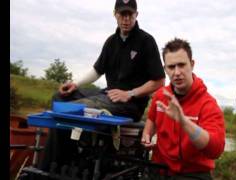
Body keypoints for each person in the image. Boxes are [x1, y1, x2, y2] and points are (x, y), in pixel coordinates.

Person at [40, 0, 165, 175]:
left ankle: (49, 169)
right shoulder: (111, 42)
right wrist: (75, 83)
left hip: (130, 105)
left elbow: (159, 81)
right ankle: (62, 164)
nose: (126, 19)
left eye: (130, 14)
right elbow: (97, 70)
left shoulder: (146, 41)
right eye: (122, 14)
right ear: (115, 14)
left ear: (137, 15)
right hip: (107, 96)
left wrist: (130, 93)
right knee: (60, 98)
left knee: (77, 107)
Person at [141, 38, 225, 180]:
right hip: (159, 170)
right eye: (171, 67)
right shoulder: (161, 95)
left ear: (192, 65)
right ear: (165, 69)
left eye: (181, 65)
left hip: (193, 174)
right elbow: (151, 121)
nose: (177, 72)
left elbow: (215, 150)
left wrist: (183, 121)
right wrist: (146, 135)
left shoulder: (208, 104)